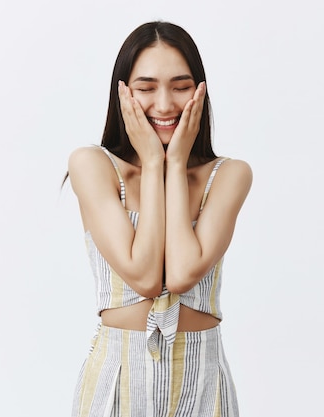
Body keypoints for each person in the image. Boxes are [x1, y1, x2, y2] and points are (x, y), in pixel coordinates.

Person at [67, 21, 252, 417]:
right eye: (146, 88)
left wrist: (177, 163)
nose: (165, 105)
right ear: (123, 94)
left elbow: (183, 273)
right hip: (118, 375)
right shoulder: (93, 165)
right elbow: (146, 276)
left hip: (202, 379)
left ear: (201, 91)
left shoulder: (229, 175)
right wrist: (153, 161)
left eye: (181, 86)